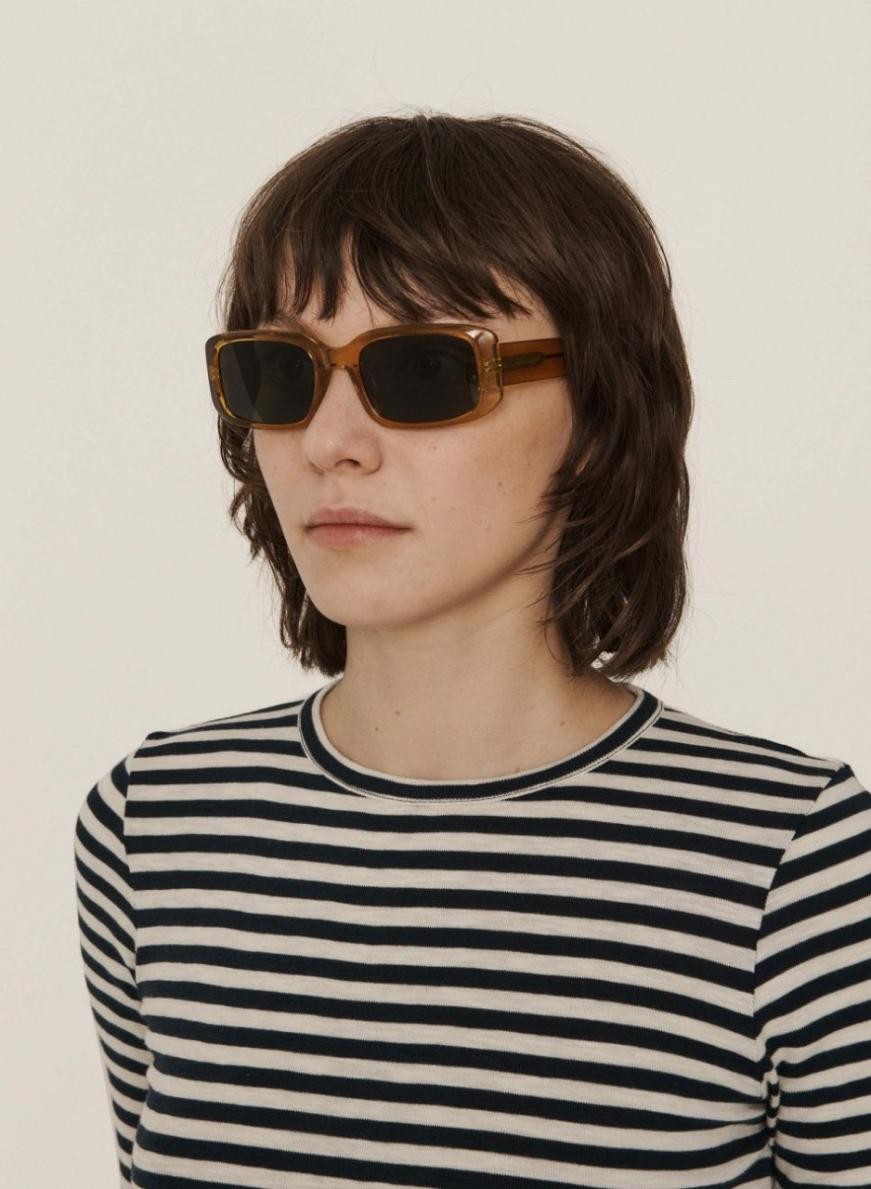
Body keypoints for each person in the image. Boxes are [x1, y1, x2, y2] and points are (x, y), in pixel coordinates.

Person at [73, 111, 871, 1188]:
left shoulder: (794, 862)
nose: (329, 443)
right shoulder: (154, 824)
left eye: (422, 371)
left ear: (599, 410)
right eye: (280, 372)